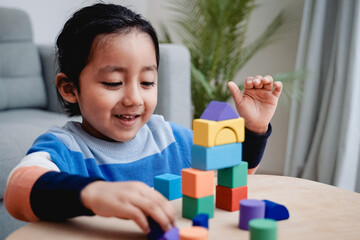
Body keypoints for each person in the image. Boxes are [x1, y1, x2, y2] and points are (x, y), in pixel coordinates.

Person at [4, 3, 282, 235]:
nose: (134, 98)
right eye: (113, 83)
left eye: (147, 82)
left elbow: (231, 178)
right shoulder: (65, 148)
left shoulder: (171, 138)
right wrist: (94, 194)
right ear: (69, 88)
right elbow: (18, 191)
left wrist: (254, 129)